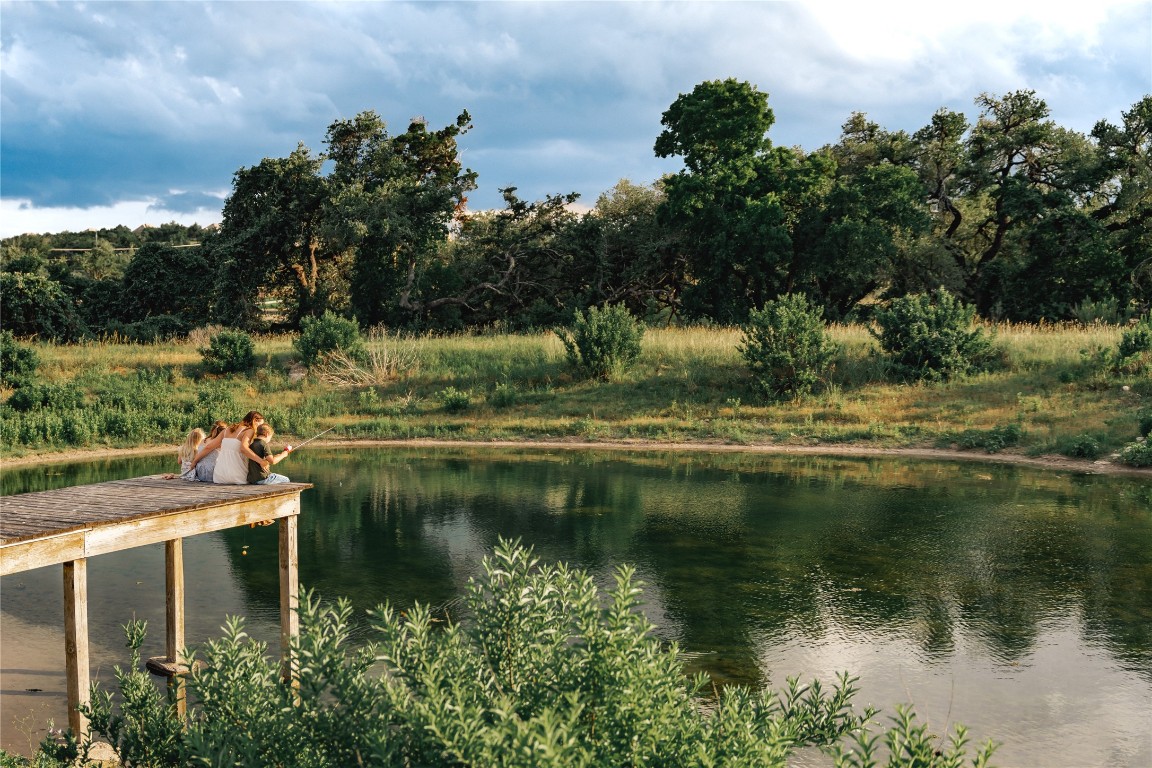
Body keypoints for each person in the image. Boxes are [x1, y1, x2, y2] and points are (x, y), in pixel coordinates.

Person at [189, 411, 269, 485]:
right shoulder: (249, 430)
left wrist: (195, 461)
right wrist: (261, 461)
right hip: (238, 477)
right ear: (255, 420)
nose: (260, 428)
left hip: (219, 477)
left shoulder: (227, 430)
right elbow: (244, 449)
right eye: (260, 425)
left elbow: (209, 447)